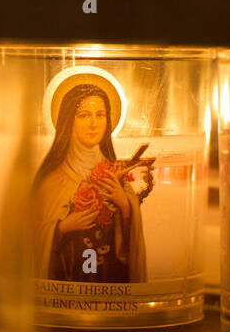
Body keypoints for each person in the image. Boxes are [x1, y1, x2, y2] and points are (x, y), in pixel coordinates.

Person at [31, 82, 146, 283]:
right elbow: (29, 238)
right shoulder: (51, 180)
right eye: (84, 115)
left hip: (112, 281)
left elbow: (131, 248)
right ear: (69, 121)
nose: (94, 123)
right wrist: (62, 227)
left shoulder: (115, 175)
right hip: (65, 282)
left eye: (100, 115)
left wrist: (125, 206)